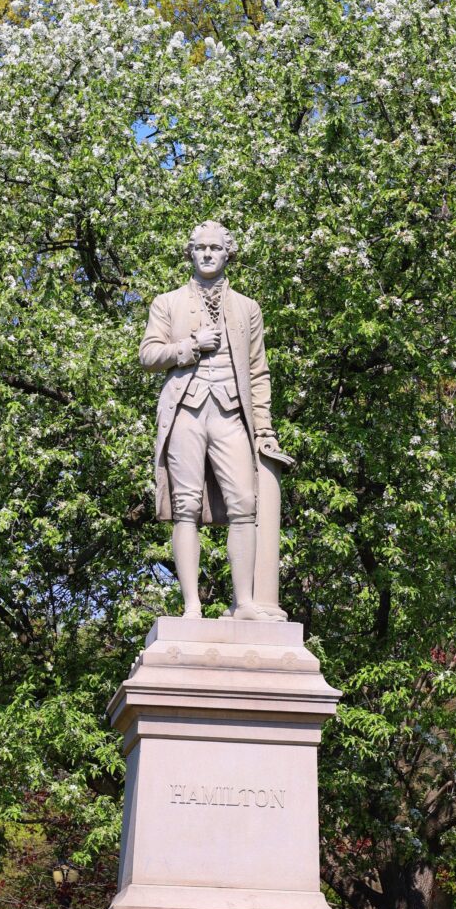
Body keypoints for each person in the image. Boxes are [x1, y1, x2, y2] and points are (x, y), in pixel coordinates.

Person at [140, 220, 289, 618]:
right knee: (185, 505)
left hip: (230, 414)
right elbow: (148, 355)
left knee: (244, 503)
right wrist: (189, 346)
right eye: (200, 247)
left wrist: (265, 429)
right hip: (185, 412)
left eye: (215, 248)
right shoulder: (167, 302)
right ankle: (191, 607)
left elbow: (258, 372)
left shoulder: (247, 307)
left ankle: (244, 604)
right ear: (190, 252)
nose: (207, 254)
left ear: (228, 254)